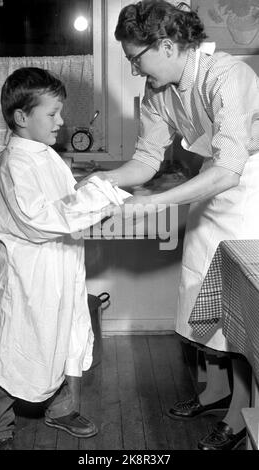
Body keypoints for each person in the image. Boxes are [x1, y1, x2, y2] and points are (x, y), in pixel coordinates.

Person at [77, 1, 259, 450]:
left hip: (250, 185)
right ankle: (215, 392)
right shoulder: (160, 94)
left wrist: (154, 203)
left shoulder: (227, 77)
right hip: (211, 182)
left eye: (136, 59)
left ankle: (240, 416)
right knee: (200, 290)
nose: (135, 70)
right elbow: (144, 160)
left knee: (239, 305)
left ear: (166, 45)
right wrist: (104, 178)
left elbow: (232, 170)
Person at [0, 67, 127, 450]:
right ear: (21, 117)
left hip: (60, 267)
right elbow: (39, 220)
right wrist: (99, 197)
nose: (62, 121)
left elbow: (64, 202)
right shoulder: (15, 164)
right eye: (52, 114)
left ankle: (60, 408)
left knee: (63, 335)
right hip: (30, 276)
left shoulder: (46, 155)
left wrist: (95, 191)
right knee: (14, 348)